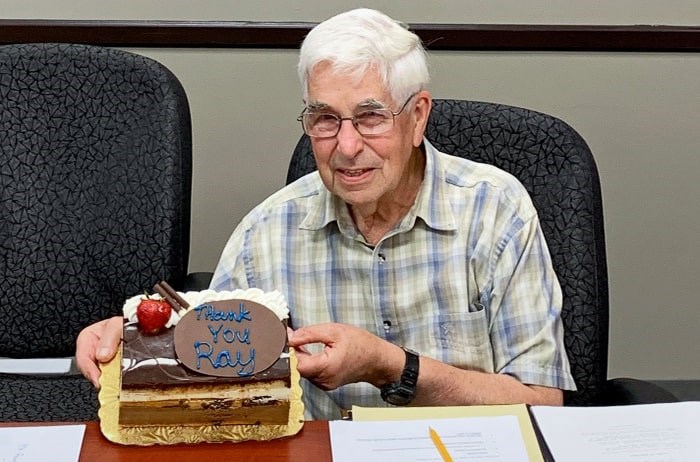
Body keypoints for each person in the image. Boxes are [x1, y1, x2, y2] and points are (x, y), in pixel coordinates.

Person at [76, 8, 576, 420]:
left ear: (418, 115)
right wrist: (141, 336)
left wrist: (388, 366)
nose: (347, 146)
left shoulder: (496, 210)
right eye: (325, 119)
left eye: (371, 116)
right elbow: (216, 371)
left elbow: (543, 405)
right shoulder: (266, 233)